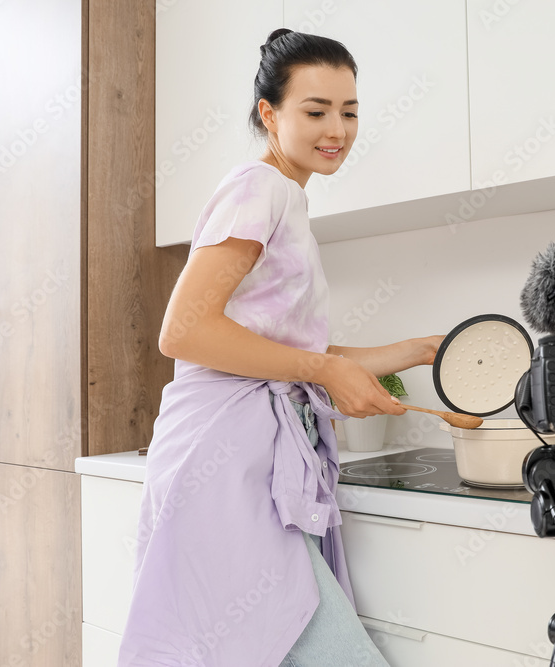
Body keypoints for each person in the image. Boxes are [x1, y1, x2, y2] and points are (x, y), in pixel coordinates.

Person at [118, 28, 441, 667]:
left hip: (252, 452)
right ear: (270, 114)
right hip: (222, 456)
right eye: (315, 111)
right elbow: (182, 331)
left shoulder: (286, 198)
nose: (338, 129)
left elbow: (278, 348)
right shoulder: (258, 189)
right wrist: (324, 368)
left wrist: (411, 351)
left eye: (349, 111)